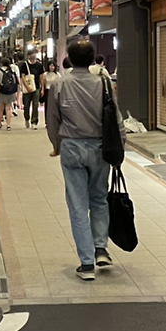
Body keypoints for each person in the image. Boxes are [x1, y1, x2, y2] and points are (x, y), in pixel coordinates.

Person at [46, 39, 125, 281]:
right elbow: (116, 118)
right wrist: (120, 148)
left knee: (78, 205)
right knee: (99, 198)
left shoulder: (59, 85)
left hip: (72, 147)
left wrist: (56, 145)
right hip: (100, 147)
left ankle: (87, 263)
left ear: (69, 59)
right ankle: (100, 249)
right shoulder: (104, 83)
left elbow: (52, 120)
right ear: (92, 59)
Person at [20, 49, 46, 129]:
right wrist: (27, 87)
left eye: (35, 53)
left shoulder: (39, 65)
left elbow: (41, 77)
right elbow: (23, 77)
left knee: (35, 105)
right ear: (29, 55)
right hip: (27, 88)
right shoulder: (25, 65)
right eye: (32, 54)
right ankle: (27, 118)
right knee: (26, 105)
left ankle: (34, 121)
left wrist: (42, 88)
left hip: (36, 87)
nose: (33, 55)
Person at [0, 55, 20, 129]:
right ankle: (8, 125)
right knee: (8, 108)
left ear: (1, 63)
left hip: (2, 92)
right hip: (10, 92)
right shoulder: (12, 71)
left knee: (1, 108)